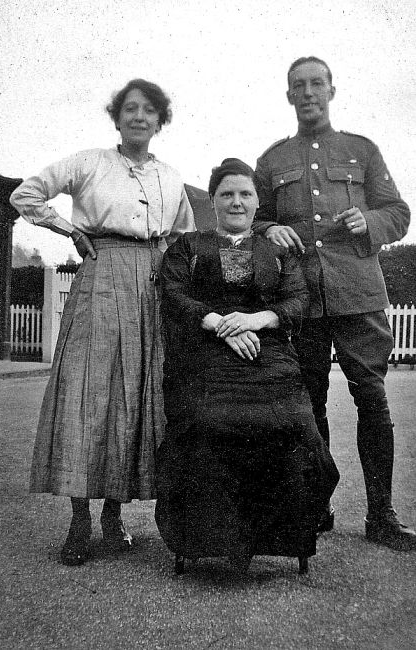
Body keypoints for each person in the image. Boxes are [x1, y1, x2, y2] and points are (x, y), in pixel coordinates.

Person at [10, 79, 195, 566]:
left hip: (152, 286)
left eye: (149, 110)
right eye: (130, 109)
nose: (139, 117)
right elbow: (25, 196)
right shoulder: (89, 162)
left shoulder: (172, 178)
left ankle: (114, 518)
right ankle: (79, 522)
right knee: (88, 393)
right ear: (117, 118)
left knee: (134, 395)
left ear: (160, 121)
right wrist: (68, 228)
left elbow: (185, 238)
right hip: (101, 272)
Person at [254, 56, 415, 550]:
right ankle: (316, 507)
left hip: (357, 292)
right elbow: (253, 217)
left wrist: (371, 222)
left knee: (371, 395)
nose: (308, 93)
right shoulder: (272, 160)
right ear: (288, 96)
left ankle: (381, 514)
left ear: (331, 90)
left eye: (316, 84)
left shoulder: (361, 149)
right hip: (300, 297)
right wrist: (268, 228)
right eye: (298, 86)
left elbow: (398, 212)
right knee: (309, 401)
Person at [155, 158, 339, 574]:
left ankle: (285, 535)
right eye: (226, 194)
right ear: (213, 200)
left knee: (295, 423)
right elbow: (174, 294)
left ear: (258, 202)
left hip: (268, 354)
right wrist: (221, 324)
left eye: (245, 194)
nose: (236, 203)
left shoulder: (276, 251)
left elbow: (297, 299)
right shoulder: (188, 247)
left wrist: (254, 320)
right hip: (205, 355)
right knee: (205, 420)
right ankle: (205, 537)